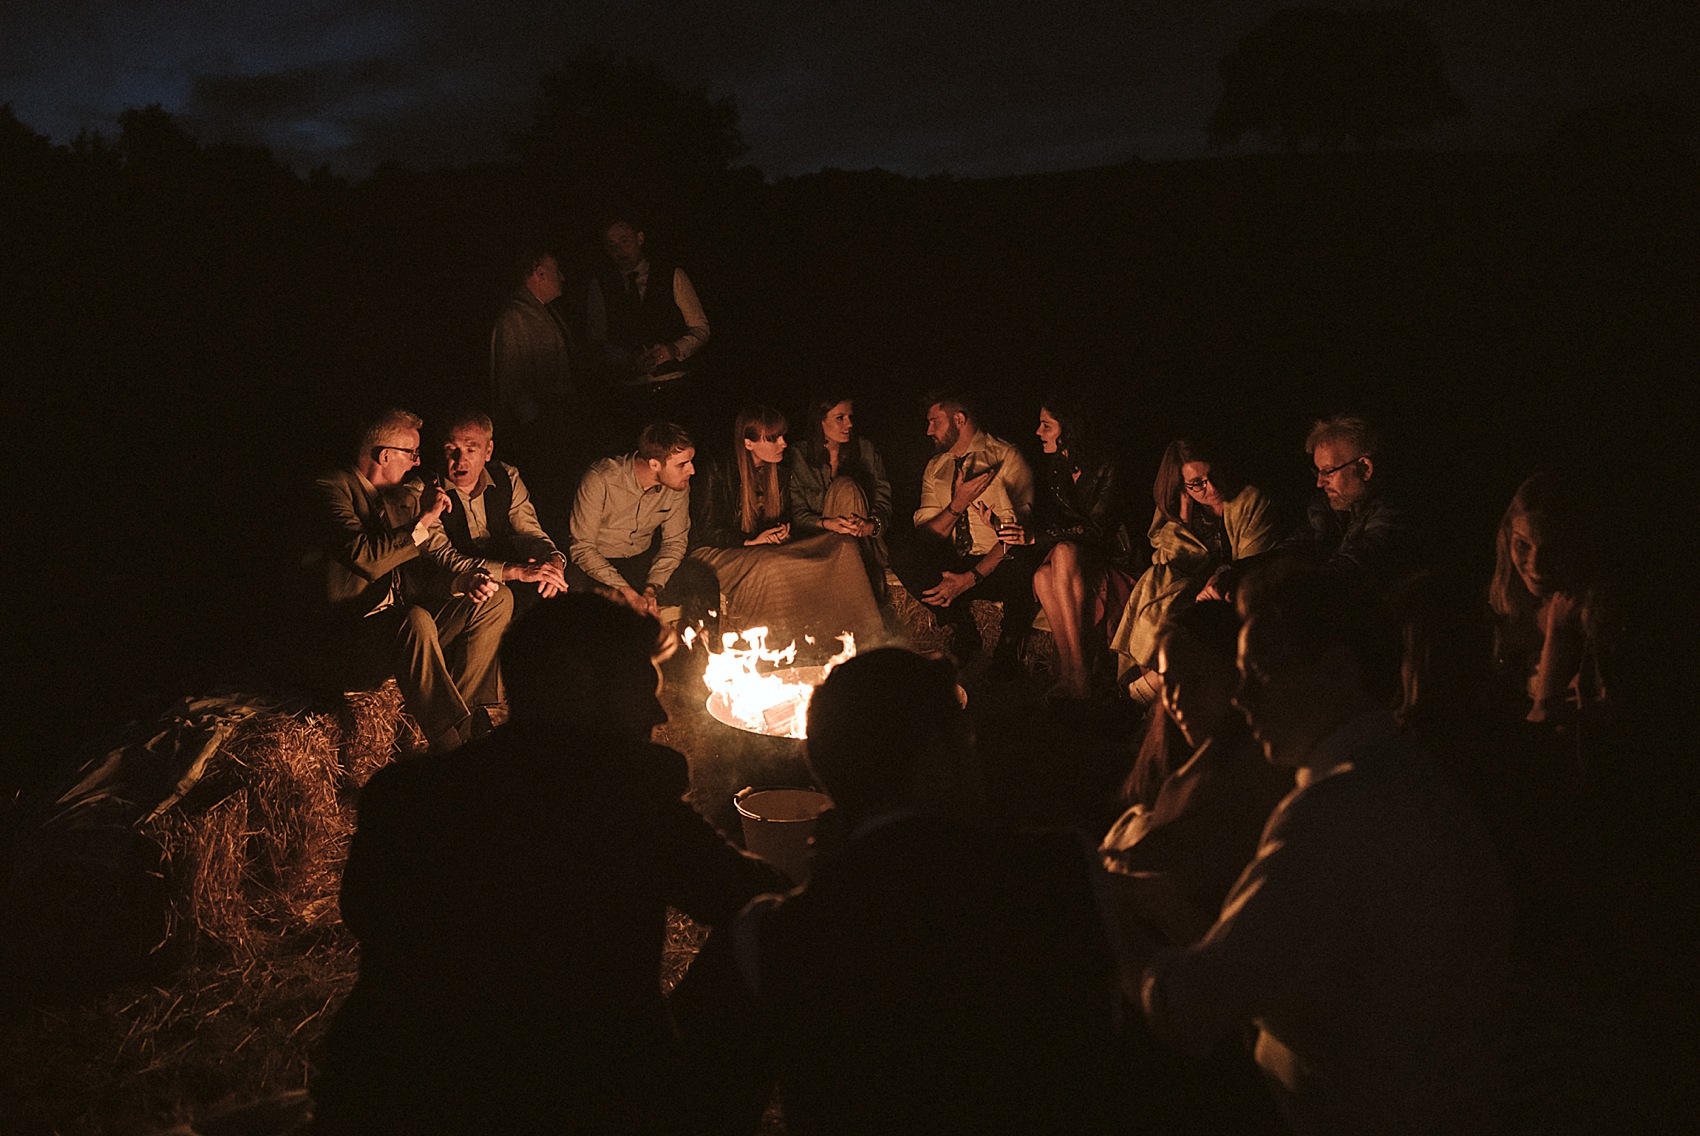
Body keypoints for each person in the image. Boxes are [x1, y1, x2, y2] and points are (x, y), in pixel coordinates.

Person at [312, 594, 784, 1135]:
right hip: (575, 1104)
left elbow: (364, 915)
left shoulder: (404, 796)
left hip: (397, 1102)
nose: (659, 713)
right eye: (641, 688)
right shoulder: (624, 803)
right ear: (584, 685)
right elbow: (761, 893)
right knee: (774, 933)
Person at [679, 647, 1128, 1134]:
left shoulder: (767, 936)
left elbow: (699, 1103)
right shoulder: (1064, 870)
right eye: (968, 745)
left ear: (823, 770)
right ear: (939, 758)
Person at [1132, 565, 1514, 1136]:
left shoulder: (1331, 811)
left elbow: (1190, 1008)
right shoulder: (1410, 778)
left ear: (1336, 672)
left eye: (1260, 672)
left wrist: (1114, 908)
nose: (1241, 696)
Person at [306, 407, 512, 753]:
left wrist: (463, 583)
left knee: (496, 598)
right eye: (412, 454)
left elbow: (413, 581)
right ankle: (453, 744)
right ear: (385, 455)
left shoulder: (397, 498)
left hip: (401, 633)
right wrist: (424, 520)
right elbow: (366, 558)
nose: (417, 463)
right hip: (346, 642)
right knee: (414, 620)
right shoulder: (330, 489)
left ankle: (469, 718)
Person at [1101, 601, 1293, 946]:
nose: (1177, 699)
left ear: (1237, 676)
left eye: (1197, 681)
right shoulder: (1175, 757)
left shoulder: (1253, 775)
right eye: (1170, 682)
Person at [687, 406, 883, 651]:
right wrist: (750, 541)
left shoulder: (778, 469)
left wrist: (781, 530)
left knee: (843, 545)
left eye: (782, 436)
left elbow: (783, 518)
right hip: (717, 551)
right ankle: (774, 647)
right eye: (773, 438)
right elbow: (707, 528)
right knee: (770, 565)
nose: (782, 443)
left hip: (762, 547)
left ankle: (863, 641)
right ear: (748, 443)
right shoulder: (717, 469)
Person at [1110, 438, 1277, 703]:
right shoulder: (1179, 508)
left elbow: (1254, 565)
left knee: (1170, 602)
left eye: (1212, 476)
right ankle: (1148, 701)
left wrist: (1219, 577)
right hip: (1188, 588)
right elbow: (1168, 562)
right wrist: (1184, 519)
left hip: (1227, 591)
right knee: (1156, 583)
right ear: (1181, 487)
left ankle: (1139, 697)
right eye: (1196, 484)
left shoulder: (1249, 500)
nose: (1209, 487)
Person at [998, 398, 1139, 704]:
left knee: (1061, 552)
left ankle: (1079, 675)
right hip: (1079, 556)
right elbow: (1057, 522)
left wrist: (1036, 538)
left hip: (1113, 556)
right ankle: (1068, 675)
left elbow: (1098, 529)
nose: (1038, 432)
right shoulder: (1058, 468)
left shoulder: (1108, 466)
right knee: (1041, 578)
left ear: (1070, 429)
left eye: (1046, 425)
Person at [889, 392, 1037, 667]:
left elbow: (1020, 533)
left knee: (1023, 560)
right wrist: (958, 503)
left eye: (935, 421)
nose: (928, 430)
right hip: (955, 562)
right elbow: (927, 536)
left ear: (959, 419)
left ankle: (1010, 644)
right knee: (903, 551)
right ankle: (961, 628)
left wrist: (971, 578)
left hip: (996, 565)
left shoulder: (1007, 456)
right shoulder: (936, 467)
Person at [1489, 471, 1614, 732]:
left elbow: (1542, 721)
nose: (1535, 565)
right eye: (1523, 545)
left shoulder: (1594, 616)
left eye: (1551, 550)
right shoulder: (1508, 603)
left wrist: (1557, 635)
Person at [424, 410, 569, 621]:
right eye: (451, 449)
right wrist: (516, 571)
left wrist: (553, 560)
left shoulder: (506, 477)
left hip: (507, 573)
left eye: (471, 449)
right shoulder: (425, 490)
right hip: (456, 587)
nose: (460, 459)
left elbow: (529, 532)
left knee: (553, 591)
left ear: (488, 450)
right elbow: (444, 558)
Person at [563, 421, 701, 621]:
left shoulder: (678, 485)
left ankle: (705, 647)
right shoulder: (601, 479)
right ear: (654, 464)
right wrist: (627, 592)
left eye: (690, 461)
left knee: (700, 579)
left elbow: (674, 542)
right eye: (682, 464)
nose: (692, 470)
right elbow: (582, 548)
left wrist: (651, 588)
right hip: (597, 565)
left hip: (640, 561)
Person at [586, 218, 711, 432]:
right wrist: (629, 360)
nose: (619, 251)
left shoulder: (672, 275)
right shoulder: (602, 285)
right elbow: (597, 341)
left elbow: (700, 328)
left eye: (624, 241)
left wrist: (673, 349)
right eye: (612, 246)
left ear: (639, 238)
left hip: (674, 385)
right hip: (630, 392)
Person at [1282, 414, 1422, 584]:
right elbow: (1292, 549)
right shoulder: (1330, 509)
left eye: (1328, 471)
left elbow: (1355, 568)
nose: (1319, 483)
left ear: (1365, 468)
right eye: (1318, 471)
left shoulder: (1395, 513)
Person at [788, 392, 893, 597]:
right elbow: (797, 514)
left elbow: (884, 501)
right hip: (820, 541)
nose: (849, 424)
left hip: (865, 541)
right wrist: (828, 523)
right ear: (820, 421)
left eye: (850, 417)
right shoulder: (799, 456)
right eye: (840, 418)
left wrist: (871, 525)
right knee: (844, 487)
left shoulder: (865, 450)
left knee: (847, 488)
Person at [489, 247, 575, 451]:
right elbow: (509, 378)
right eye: (556, 271)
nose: (562, 277)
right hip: (538, 428)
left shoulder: (543, 312)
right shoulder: (514, 318)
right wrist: (534, 423)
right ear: (540, 273)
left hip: (554, 419)